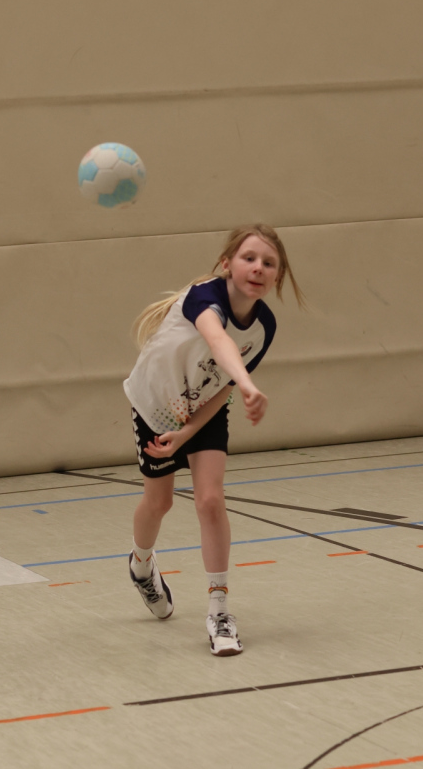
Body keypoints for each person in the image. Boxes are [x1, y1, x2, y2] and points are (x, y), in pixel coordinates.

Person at [123, 224, 304, 655]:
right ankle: (141, 565)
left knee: (210, 500)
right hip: (155, 405)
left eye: (269, 263)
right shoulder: (203, 297)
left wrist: (191, 429)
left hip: (204, 407)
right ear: (227, 264)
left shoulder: (263, 327)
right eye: (249, 258)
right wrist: (249, 386)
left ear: (277, 276)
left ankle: (219, 610)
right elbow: (218, 340)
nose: (258, 268)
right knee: (159, 503)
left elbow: (223, 385)